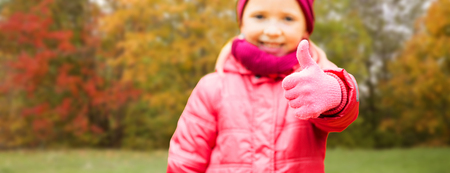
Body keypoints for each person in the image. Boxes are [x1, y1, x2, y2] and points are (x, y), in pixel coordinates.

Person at [167, 0, 359, 172]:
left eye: (288, 18)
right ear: (242, 23)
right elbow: (186, 158)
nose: (272, 31)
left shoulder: (311, 82)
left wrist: (334, 91)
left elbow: (345, 113)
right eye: (259, 16)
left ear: (305, 30)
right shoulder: (214, 86)